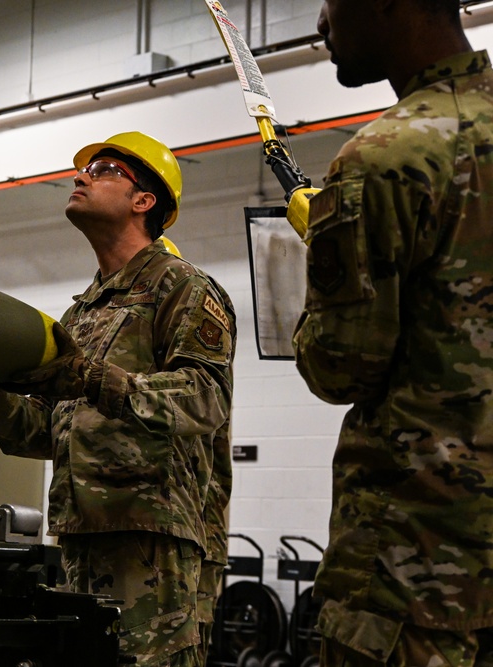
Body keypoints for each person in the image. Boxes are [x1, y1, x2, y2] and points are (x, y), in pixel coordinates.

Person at [0, 132, 236, 666]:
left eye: (103, 170)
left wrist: (89, 378)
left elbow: (203, 400)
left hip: (148, 539)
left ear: (143, 200)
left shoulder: (183, 287)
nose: (80, 177)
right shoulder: (83, 312)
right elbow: (43, 432)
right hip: (80, 536)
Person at [293, 1, 493, 665]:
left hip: (412, 583)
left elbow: (339, 366)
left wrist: (323, 256)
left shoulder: (386, 157)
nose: (322, 22)